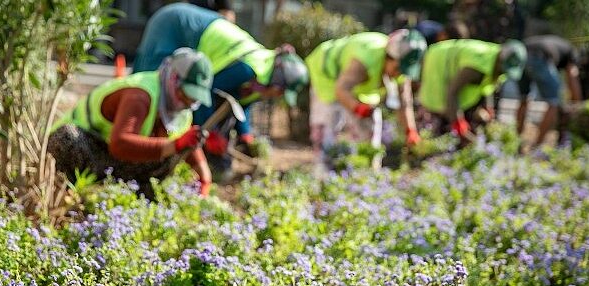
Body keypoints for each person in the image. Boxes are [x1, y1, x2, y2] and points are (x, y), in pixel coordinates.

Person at [133, 3, 309, 181]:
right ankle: (139, 155)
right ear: (277, 82)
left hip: (194, 28)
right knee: (153, 87)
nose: (279, 97)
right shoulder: (247, 70)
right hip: (174, 24)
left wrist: (245, 134)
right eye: (281, 92)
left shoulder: (262, 81)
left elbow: (241, 104)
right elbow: (204, 93)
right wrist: (211, 135)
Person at [49, 48, 214, 197]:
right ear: (173, 78)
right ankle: (67, 194)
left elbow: (185, 138)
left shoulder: (180, 110)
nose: (187, 102)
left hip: (107, 159)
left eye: (193, 99)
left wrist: (204, 175)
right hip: (81, 146)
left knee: (168, 157)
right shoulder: (140, 95)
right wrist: (175, 145)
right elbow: (120, 144)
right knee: (67, 137)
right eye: (185, 94)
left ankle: (131, 200)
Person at [306, 29, 427, 172]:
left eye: (404, 71)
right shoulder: (366, 59)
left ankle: (369, 173)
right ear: (389, 57)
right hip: (326, 73)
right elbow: (341, 90)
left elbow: (404, 101)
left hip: (357, 83)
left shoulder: (401, 69)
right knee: (327, 125)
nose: (398, 74)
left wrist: (410, 130)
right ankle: (322, 172)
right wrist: (357, 107)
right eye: (397, 68)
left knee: (370, 125)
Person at [417, 39, 527, 142]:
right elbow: (452, 92)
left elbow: (488, 85)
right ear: (500, 59)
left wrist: (488, 108)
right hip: (437, 62)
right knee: (440, 122)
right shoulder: (476, 65)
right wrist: (458, 124)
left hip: (451, 72)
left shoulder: (497, 63)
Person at [516, 35, 582, 147]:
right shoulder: (572, 53)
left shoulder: (560, 44)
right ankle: (536, 146)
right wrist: (578, 105)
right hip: (541, 56)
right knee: (553, 103)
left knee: (523, 100)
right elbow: (572, 75)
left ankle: (516, 141)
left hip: (522, 53)